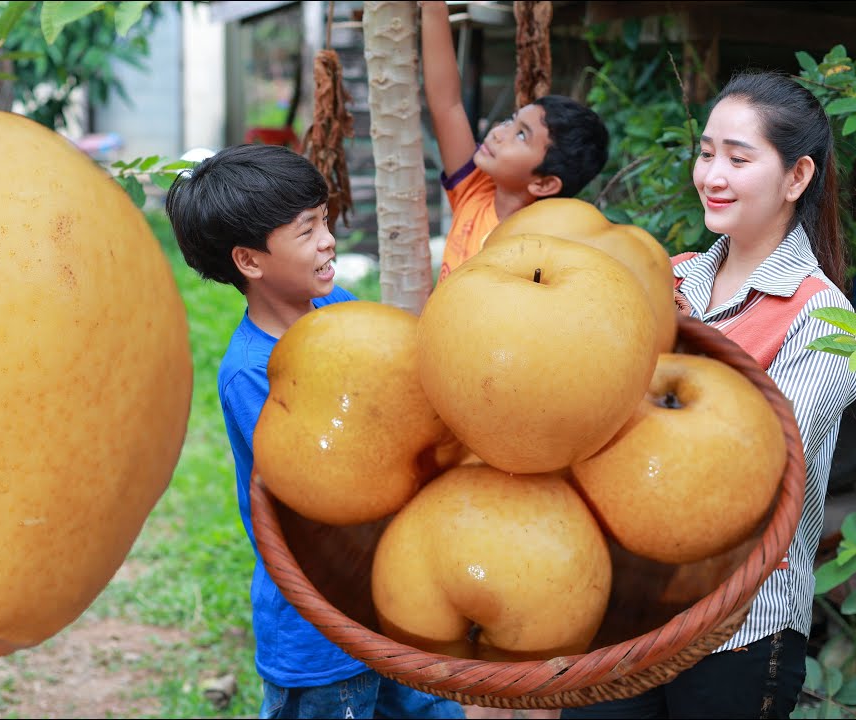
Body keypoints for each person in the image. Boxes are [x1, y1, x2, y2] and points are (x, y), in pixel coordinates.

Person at [560, 71, 856, 719]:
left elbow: (754, 471)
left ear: (797, 177)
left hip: (743, 627)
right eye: (705, 153)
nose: (712, 174)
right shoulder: (669, 278)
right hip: (627, 605)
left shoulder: (824, 319)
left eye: (738, 157)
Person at [164, 143, 466, 720]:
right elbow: (321, 485)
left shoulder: (337, 305)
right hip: (319, 625)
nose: (328, 239)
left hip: (390, 597)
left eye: (323, 221)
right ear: (250, 262)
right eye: (306, 231)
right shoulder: (254, 372)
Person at [418, 0, 610, 282]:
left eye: (521, 134)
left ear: (544, 183)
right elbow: (446, 105)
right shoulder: (474, 191)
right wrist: (433, 7)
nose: (497, 131)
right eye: (510, 120)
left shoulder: (543, 251)